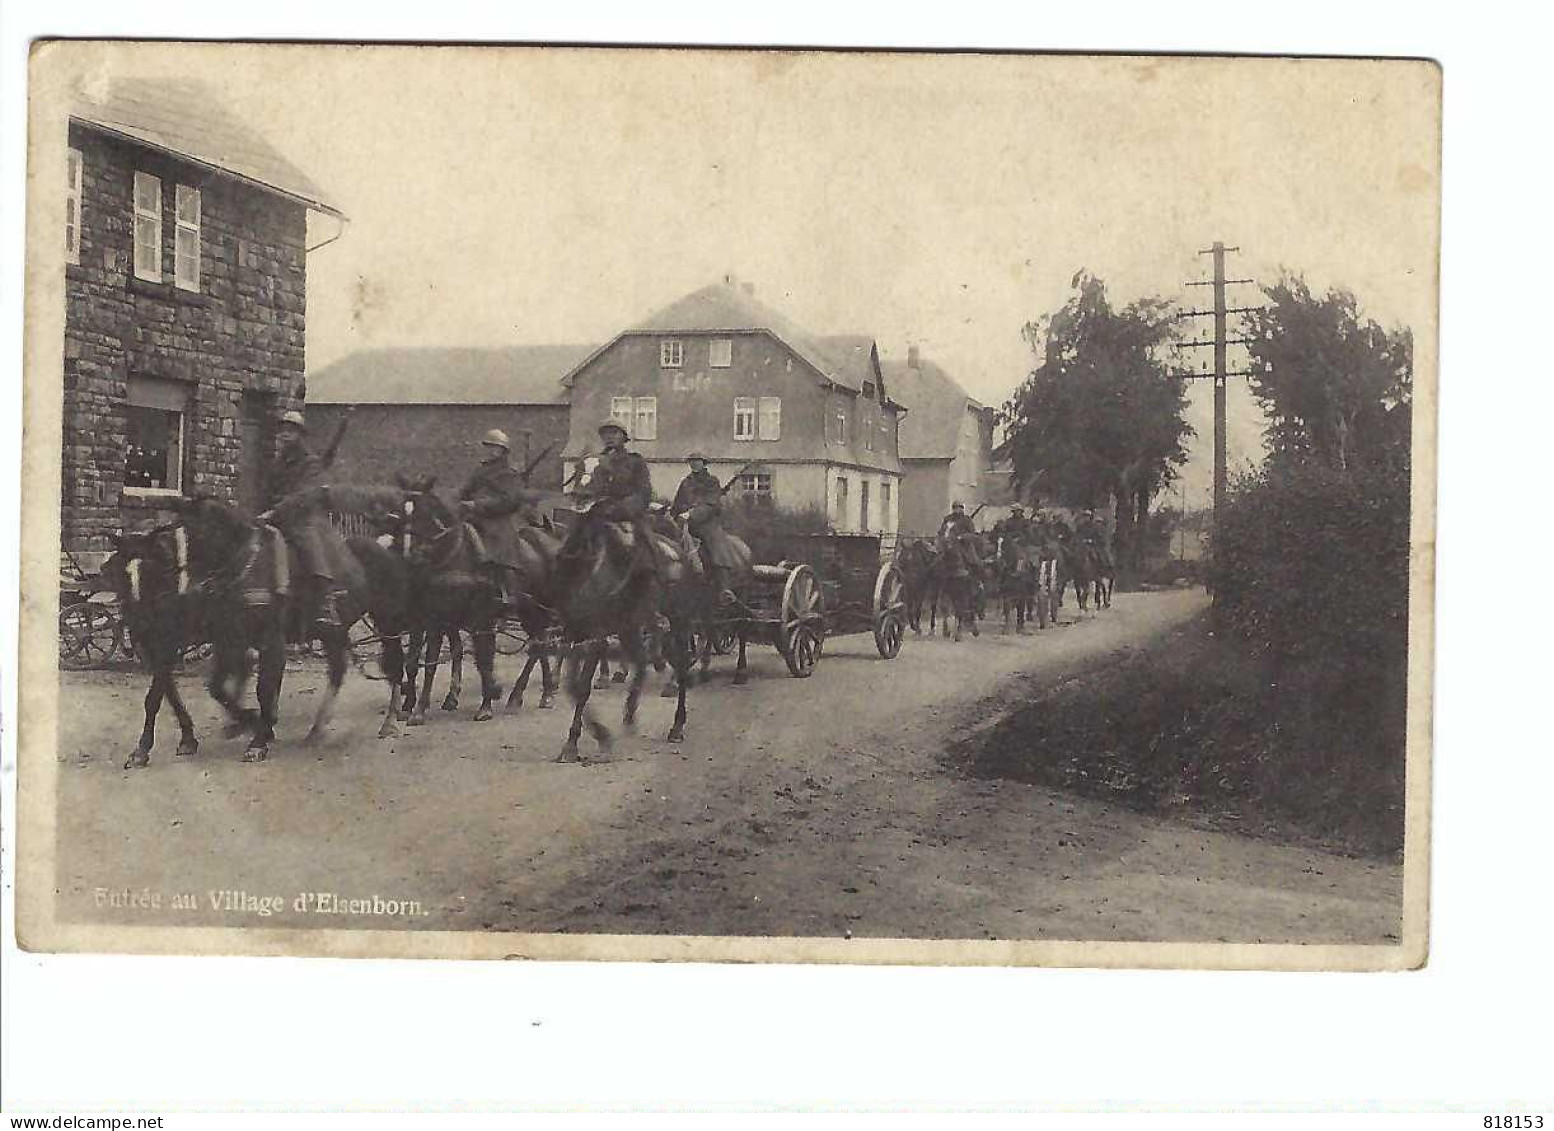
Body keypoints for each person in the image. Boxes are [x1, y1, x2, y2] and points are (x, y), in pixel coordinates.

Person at [263, 408, 358, 628]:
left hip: (300, 519)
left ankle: (326, 600)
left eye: (291, 431)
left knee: (309, 546)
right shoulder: (277, 462)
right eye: (283, 430)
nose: (285, 435)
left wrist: (275, 511)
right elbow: (266, 489)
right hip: (275, 518)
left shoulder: (310, 463)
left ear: (300, 435)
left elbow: (304, 495)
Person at [458, 429, 544, 606]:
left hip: (498, 518)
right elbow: (464, 491)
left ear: (503, 451)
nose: (490, 451)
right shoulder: (480, 471)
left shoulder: (508, 473)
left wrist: (478, 504)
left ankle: (507, 590)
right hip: (473, 516)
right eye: (488, 447)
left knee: (501, 545)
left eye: (495, 448)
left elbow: (509, 500)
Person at [570, 420, 660, 577]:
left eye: (614, 433)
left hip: (625, 514)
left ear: (624, 437)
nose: (609, 437)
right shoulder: (594, 461)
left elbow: (644, 492)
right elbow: (584, 486)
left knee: (643, 548)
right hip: (596, 512)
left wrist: (623, 508)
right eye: (606, 434)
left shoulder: (634, 461)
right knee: (569, 546)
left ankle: (649, 579)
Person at [672, 453, 736, 602]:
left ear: (704, 463)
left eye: (697, 461)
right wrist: (671, 513)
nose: (694, 464)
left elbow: (712, 504)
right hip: (685, 525)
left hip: (707, 523)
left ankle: (725, 589)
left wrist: (692, 514)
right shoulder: (685, 483)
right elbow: (676, 504)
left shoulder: (712, 482)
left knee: (717, 545)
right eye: (692, 462)